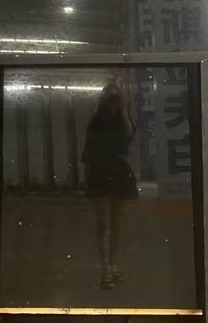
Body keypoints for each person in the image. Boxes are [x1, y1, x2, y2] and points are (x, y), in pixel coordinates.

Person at [82, 84, 138, 289]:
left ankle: (112, 265)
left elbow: (129, 135)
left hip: (116, 172)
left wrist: (123, 110)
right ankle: (107, 267)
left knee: (116, 223)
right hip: (103, 172)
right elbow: (88, 151)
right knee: (105, 223)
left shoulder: (123, 119)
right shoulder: (97, 121)